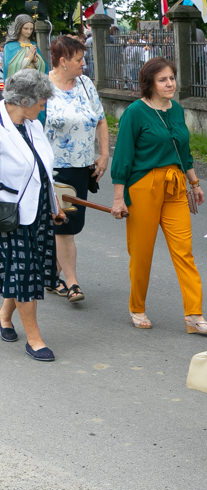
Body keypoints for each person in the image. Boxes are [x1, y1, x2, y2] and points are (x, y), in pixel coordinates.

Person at [110, 57, 207, 335]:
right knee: (141, 252)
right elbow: (123, 156)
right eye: (163, 80)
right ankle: (137, 307)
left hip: (175, 185)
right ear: (150, 84)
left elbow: (184, 151)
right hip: (144, 186)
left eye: (171, 78)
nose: (170, 84)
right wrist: (119, 197)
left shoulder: (176, 110)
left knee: (184, 251)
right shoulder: (135, 112)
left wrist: (194, 183)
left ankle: (194, 315)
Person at [0, 69, 64, 361]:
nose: (44, 105)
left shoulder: (32, 125)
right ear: (24, 99)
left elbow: (43, 170)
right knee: (24, 272)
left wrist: (55, 205)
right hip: (9, 214)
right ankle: (34, 339)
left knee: (27, 268)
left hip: (37, 209)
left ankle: (4, 315)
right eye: (41, 101)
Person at [44, 35, 109, 304]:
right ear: (63, 61)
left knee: (72, 224)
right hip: (55, 169)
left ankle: (51, 273)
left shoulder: (85, 84)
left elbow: (101, 121)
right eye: (80, 60)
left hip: (83, 166)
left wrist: (103, 154)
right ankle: (72, 283)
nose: (85, 64)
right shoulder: (42, 86)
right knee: (64, 227)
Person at [2, 15, 49, 80]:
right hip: (19, 83)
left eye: (31, 29)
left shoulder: (33, 44)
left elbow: (44, 67)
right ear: (19, 28)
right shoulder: (10, 46)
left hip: (34, 83)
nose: (29, 32)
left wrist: (36, 60)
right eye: (26, 28)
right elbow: (10, 68)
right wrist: (29, 58)